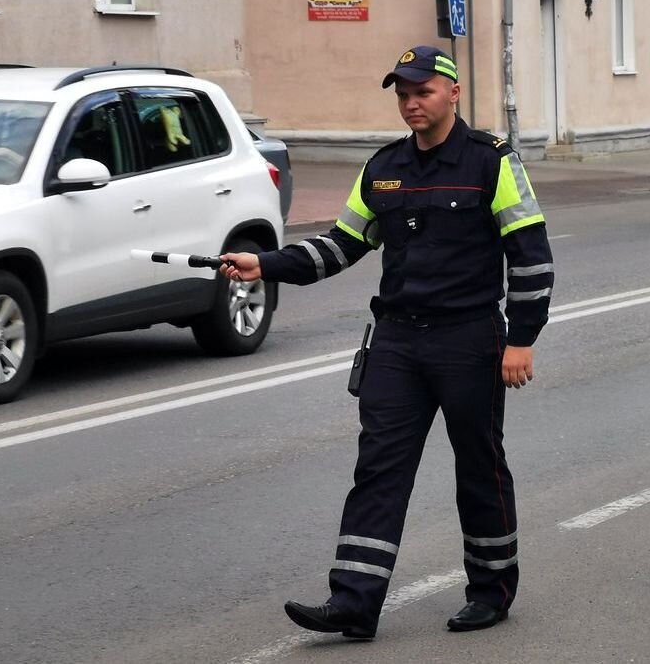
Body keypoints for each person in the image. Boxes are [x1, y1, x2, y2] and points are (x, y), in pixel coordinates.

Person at [220, 45, 554, 638]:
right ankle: (354, 601)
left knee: (478, 466)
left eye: (422, 91)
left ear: (452, 93)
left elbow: (530, 256)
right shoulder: (382, 167)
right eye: (402, 93)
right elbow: (341, 245)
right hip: (398, 343)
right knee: (378, 468)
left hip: (468, 340)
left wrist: (521, 339)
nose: (410, 102)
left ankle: (492, 588)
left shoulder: (491, 162)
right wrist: (265, 264)